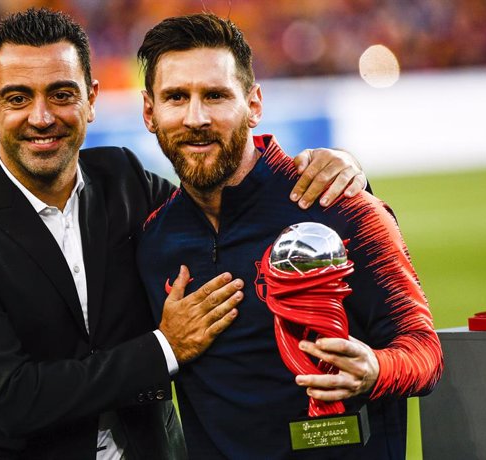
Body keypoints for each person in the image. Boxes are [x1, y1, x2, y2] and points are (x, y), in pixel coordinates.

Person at [0, 8, 366, 459]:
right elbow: (16, 400)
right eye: (18, 98)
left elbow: (238, 219)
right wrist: (166, 347)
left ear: (91, 100)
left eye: (62, 94)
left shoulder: (125, 182)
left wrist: (343, 171)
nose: (42, 117)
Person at [135, 13, 444, 460]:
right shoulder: (154, 239)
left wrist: (376, 369)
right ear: (150, 112)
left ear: (254, 104)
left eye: (216, 96)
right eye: (176, 98)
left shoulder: (341, 205)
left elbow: (425, 352)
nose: (196, 117)